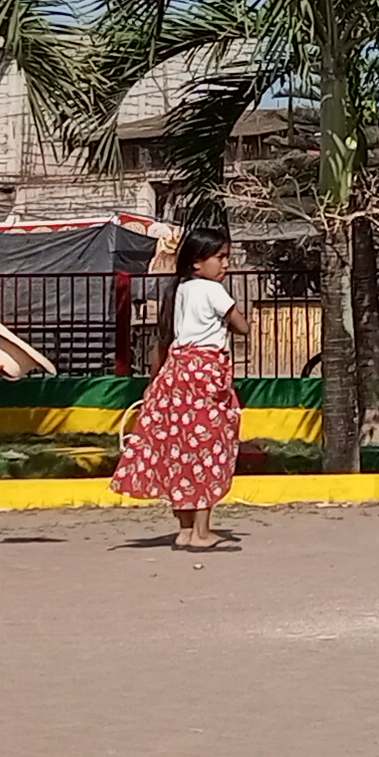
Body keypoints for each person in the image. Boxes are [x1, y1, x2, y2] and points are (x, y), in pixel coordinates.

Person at [116, 225, 245, 550]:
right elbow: (241, 326)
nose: (225, 264)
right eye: (220, 257)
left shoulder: (180, 291)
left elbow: (165, 340)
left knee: (181, 449)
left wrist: (151, 386)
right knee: (209, 449)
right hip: (206, 378)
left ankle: (185, 528)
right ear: (197, 262)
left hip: (176, 377)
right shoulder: (213, 290)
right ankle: (202, 532)